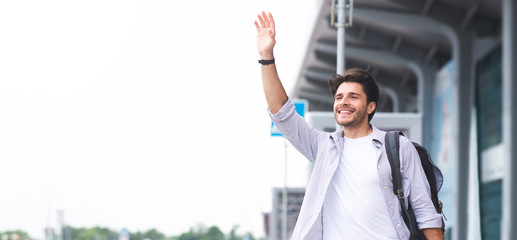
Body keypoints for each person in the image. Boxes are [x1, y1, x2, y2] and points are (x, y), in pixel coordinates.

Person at [254, 11, 444, 240]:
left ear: (370, 107)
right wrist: (266, 57)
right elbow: (282, 113)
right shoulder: (322, 146)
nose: (343, 102)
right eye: (339, 97)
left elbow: (426, 212)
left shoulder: (398, 147)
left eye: (353, 97)